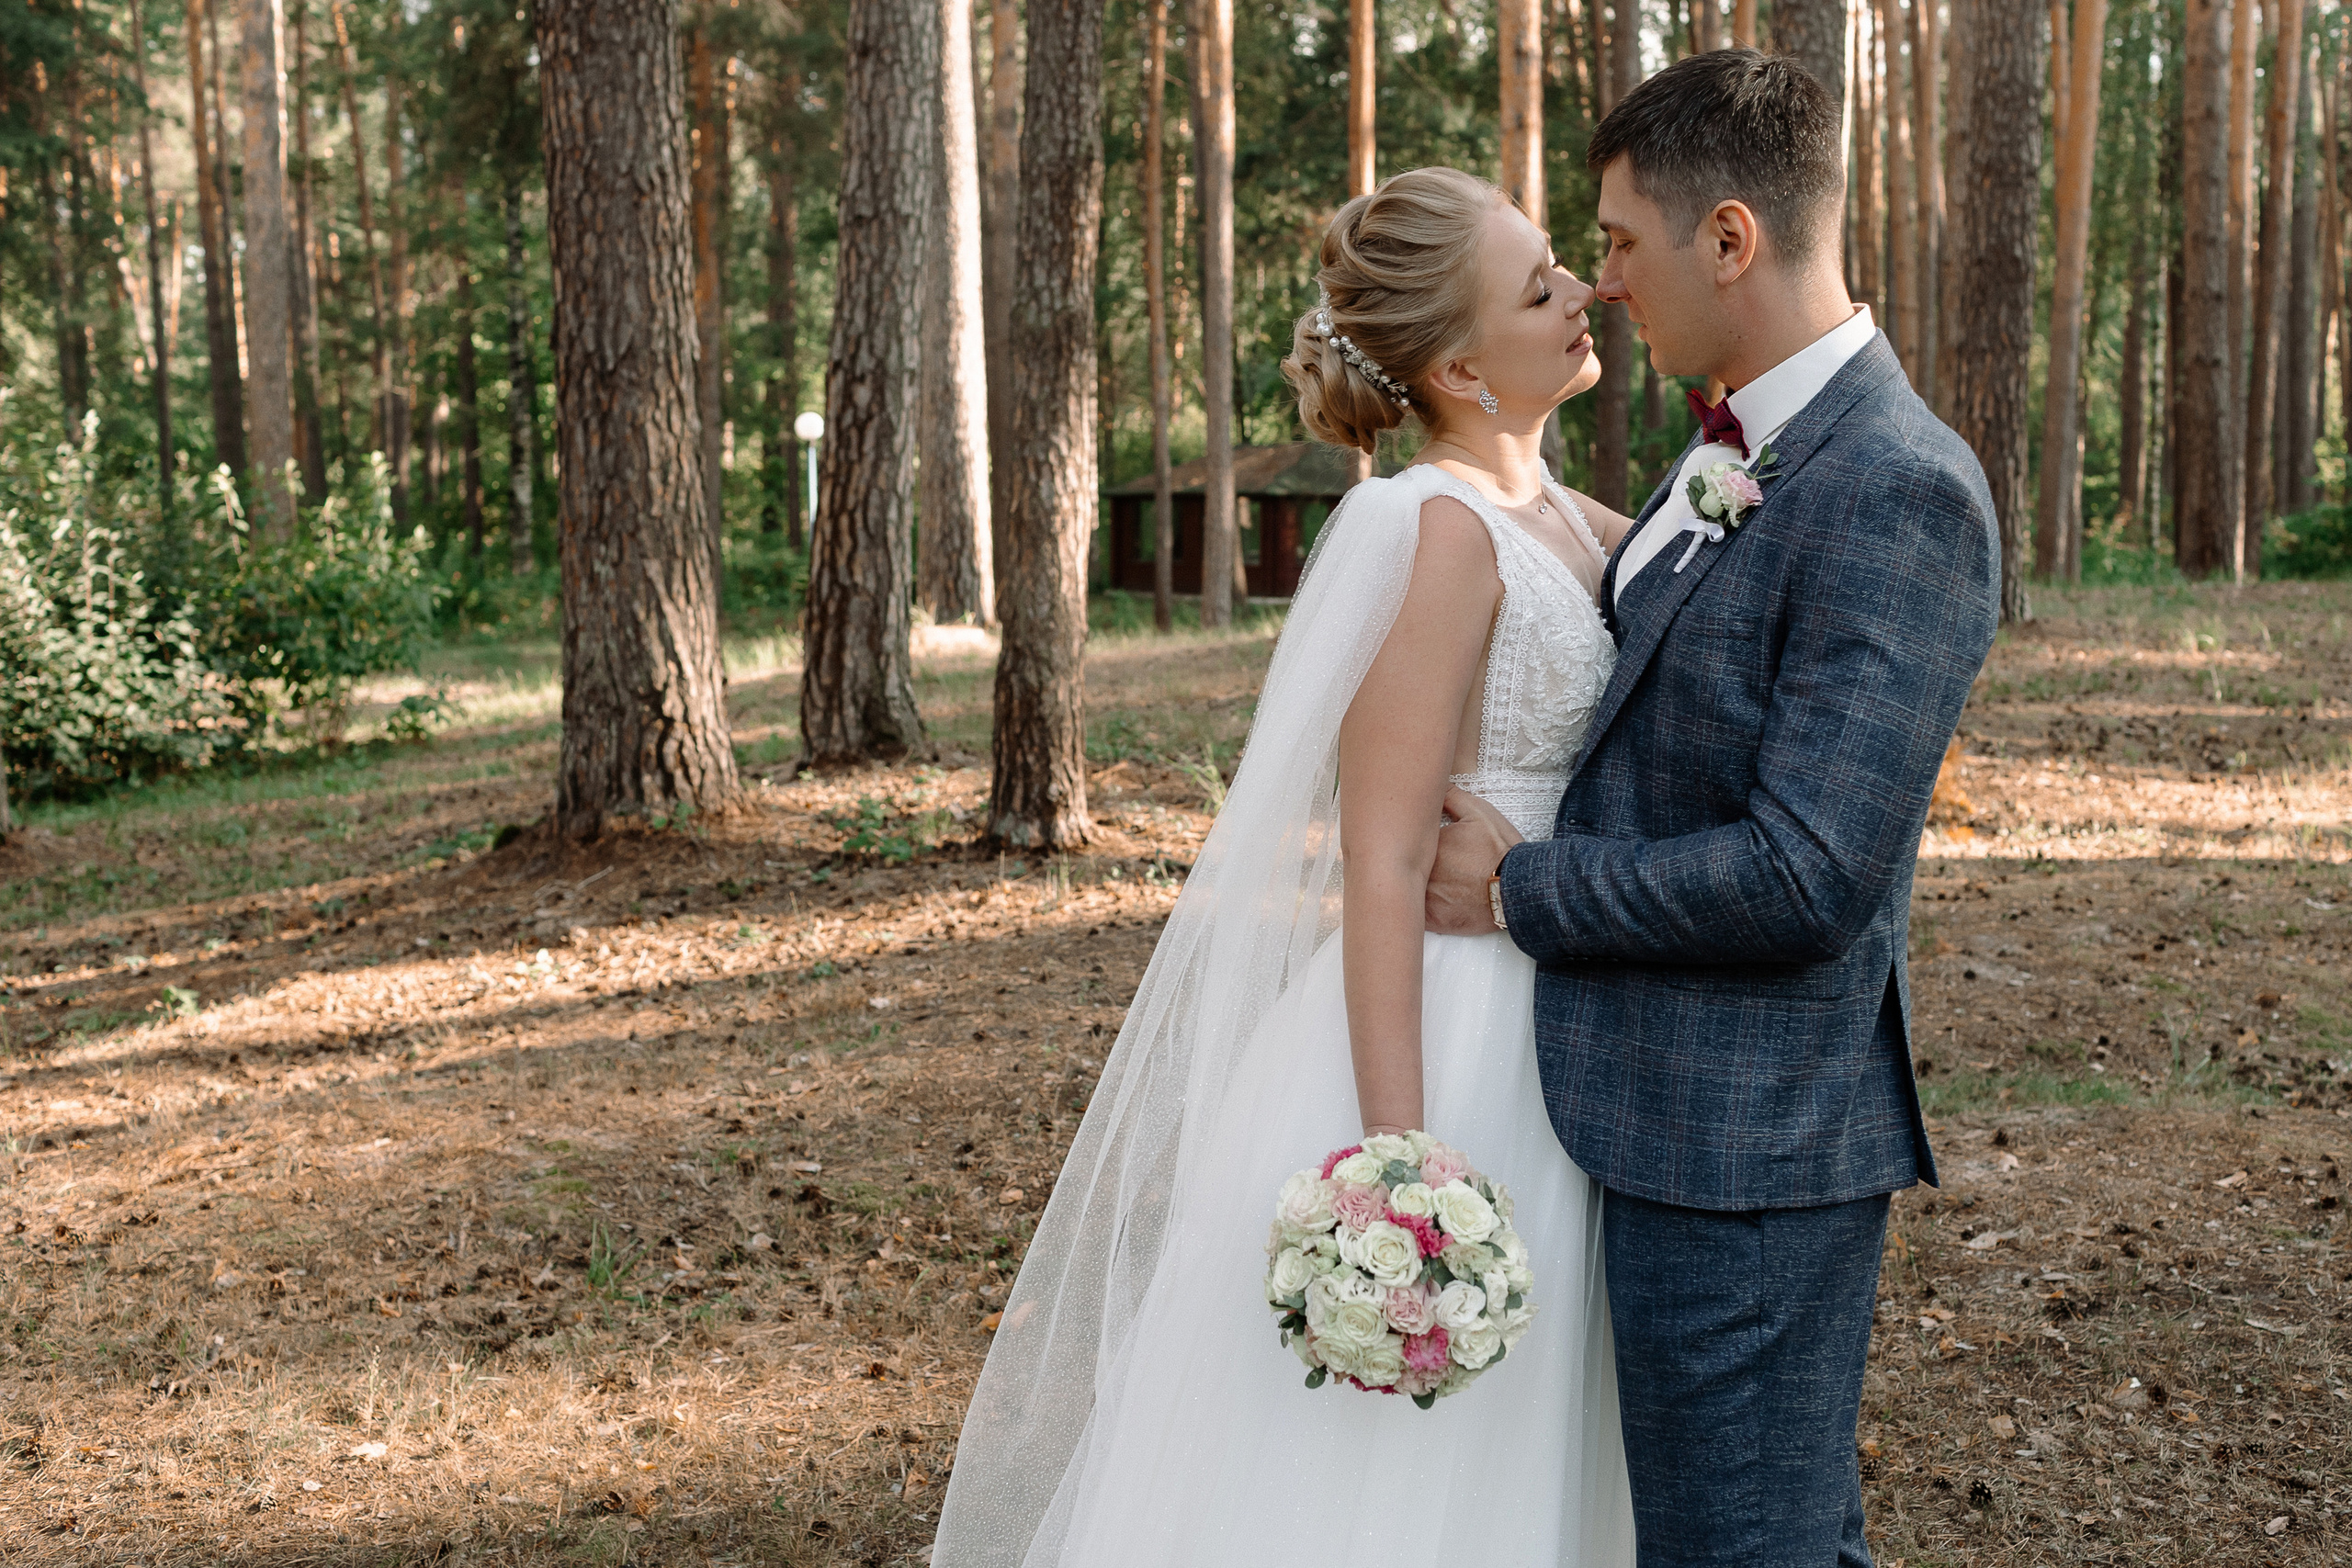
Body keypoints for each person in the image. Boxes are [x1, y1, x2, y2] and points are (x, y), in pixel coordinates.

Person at [930, 165, 1638, 1567]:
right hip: (1459, 1031)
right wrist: (1404, 1169)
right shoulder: (1437, 530)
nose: (1580, 294)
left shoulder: (1578, 516)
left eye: (1564, 263)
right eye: (1538, 286)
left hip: (1576, 994)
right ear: (1454, 368)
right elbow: (1378, 861)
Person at [1425, 51, 2001, 1568]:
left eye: (1619, 243)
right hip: (1654, 1113)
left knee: (1747, 1549)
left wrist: (1525, 885)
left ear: (1729, 239)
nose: (1603, 282)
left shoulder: (1896, 488)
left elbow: (1807, 872)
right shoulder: (1735, 444)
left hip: (1748, 1152)